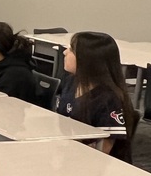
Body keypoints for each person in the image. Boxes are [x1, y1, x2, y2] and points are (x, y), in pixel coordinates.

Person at [55, 32, 136, 161]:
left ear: (87, 59)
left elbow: (102, 154)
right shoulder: (71, 82)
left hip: (96, 167)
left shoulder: (108, 99)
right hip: (68, 154)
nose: (65, 52)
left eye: (71, 50)